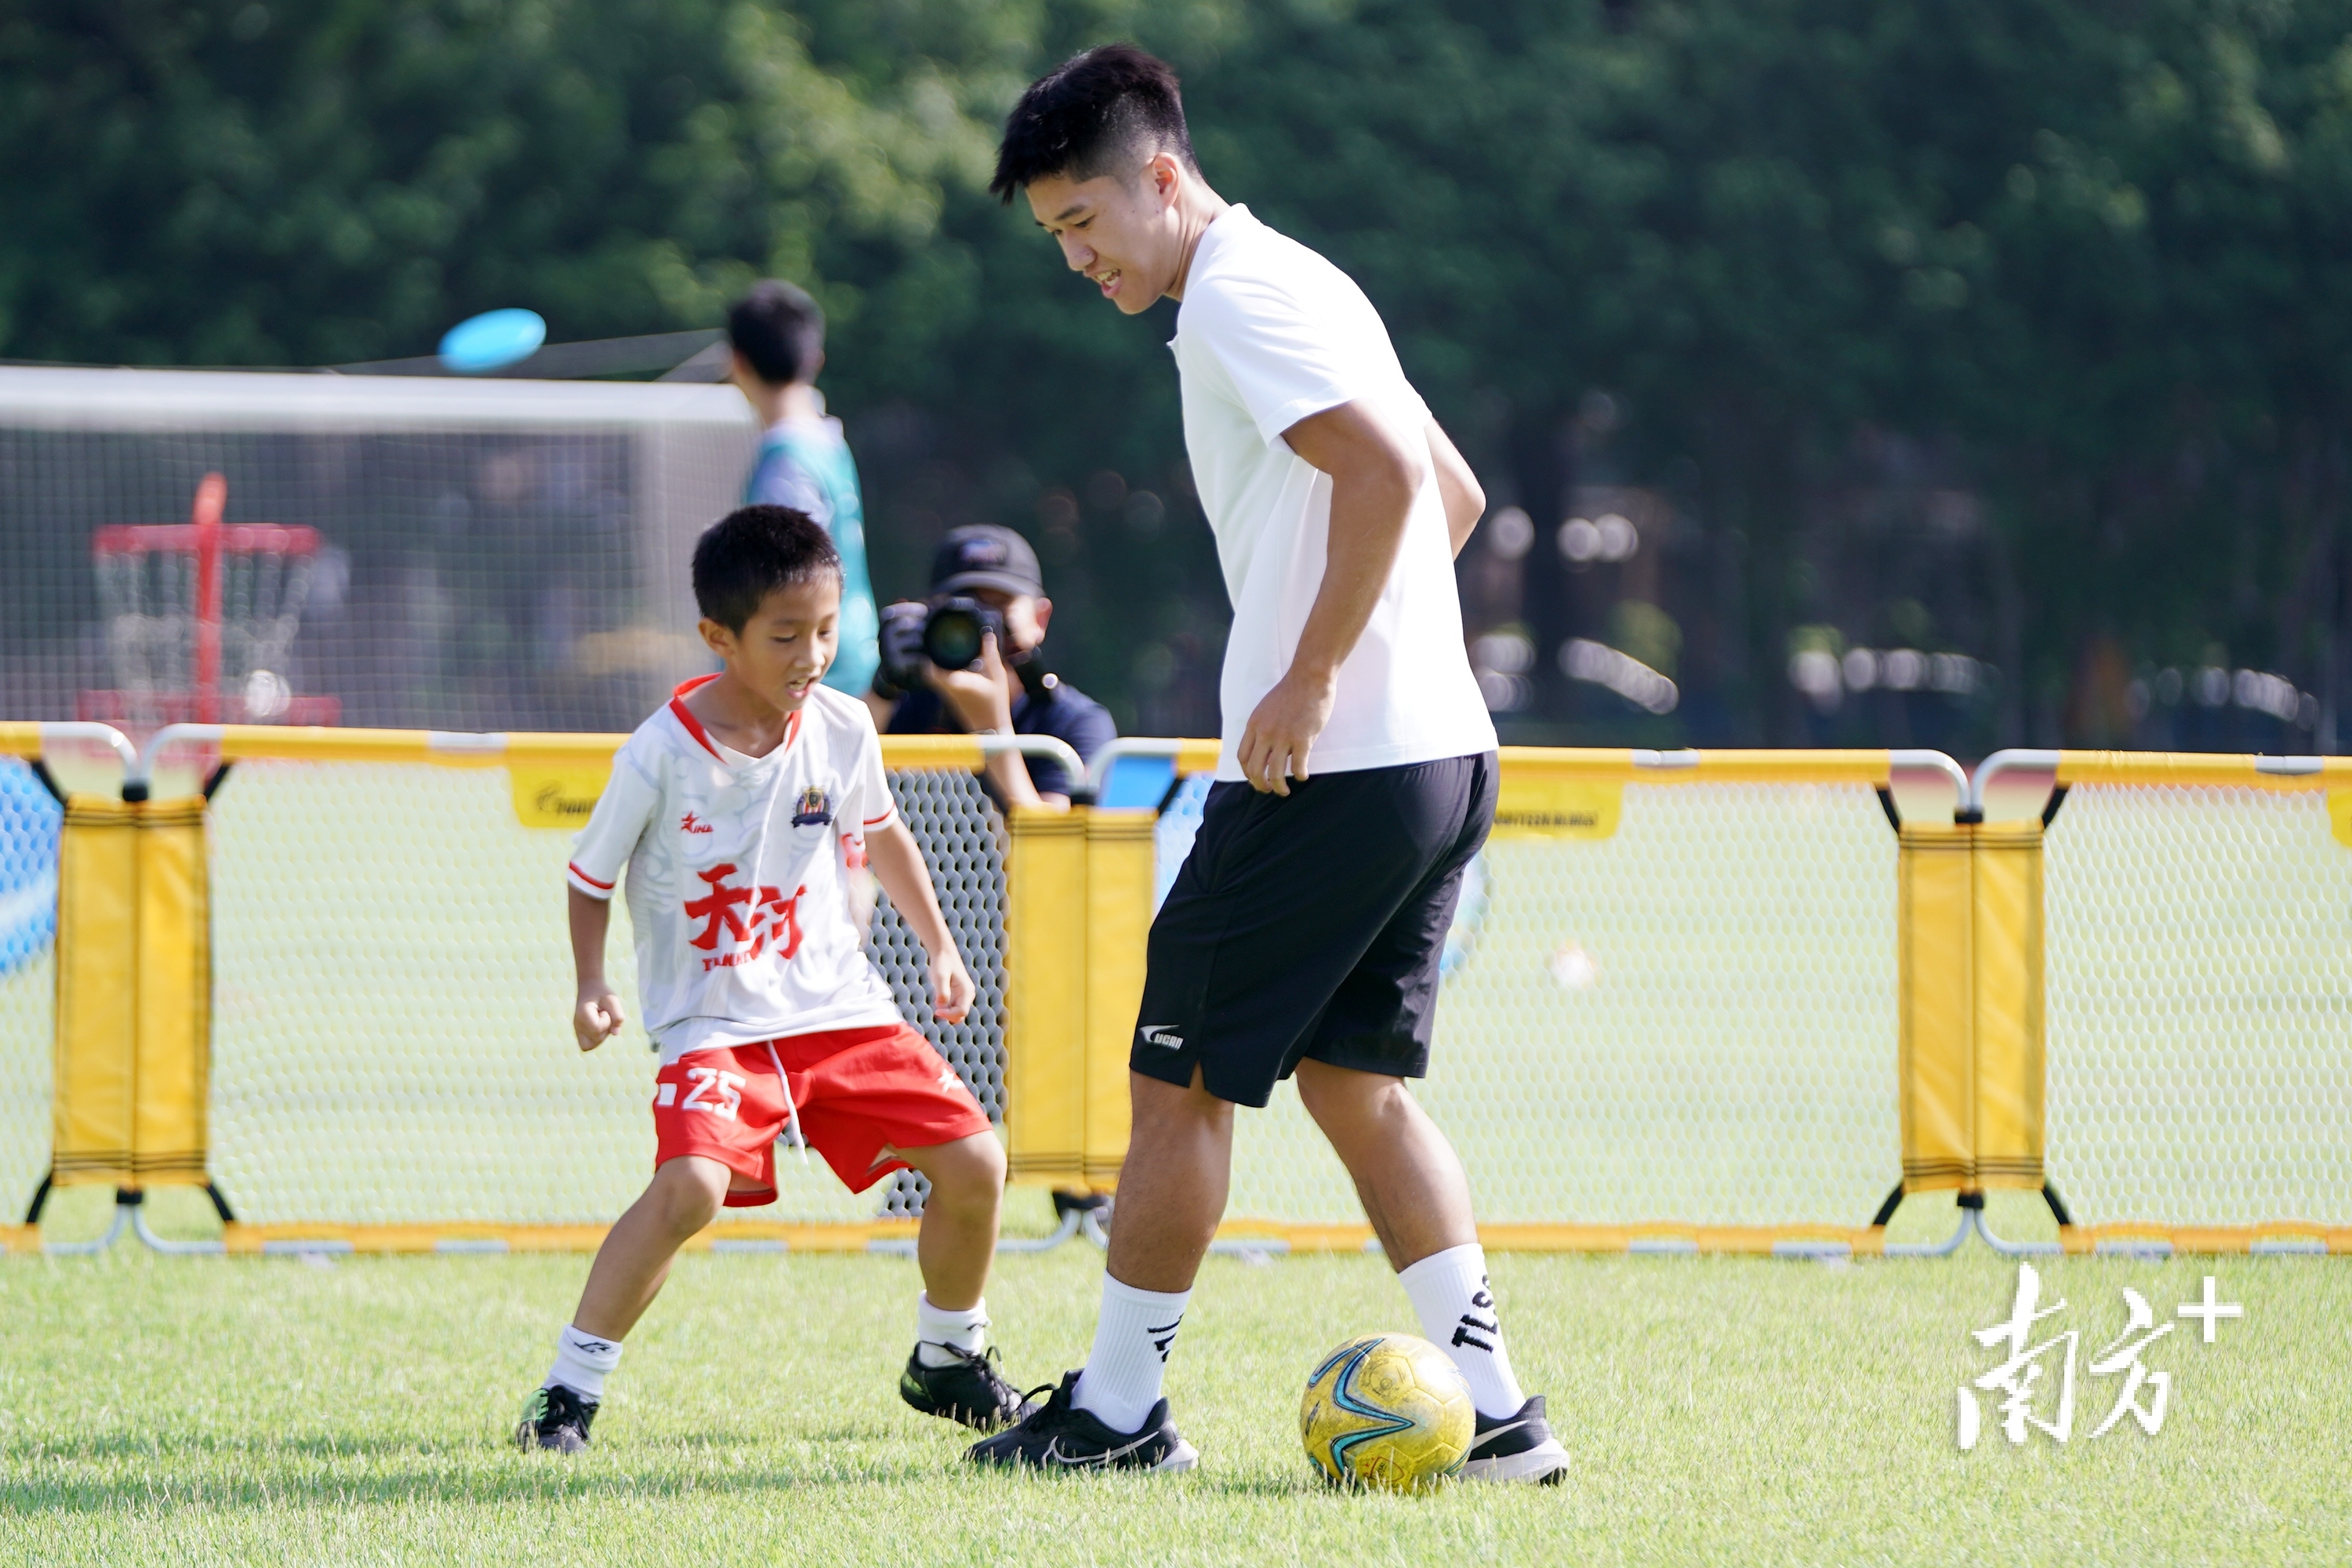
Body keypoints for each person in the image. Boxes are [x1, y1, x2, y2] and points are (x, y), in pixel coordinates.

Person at [967, 45, 1568, 1483]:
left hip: (1341, 769)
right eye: (1056, 234)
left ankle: (1117, 1416)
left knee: (1177, 1085)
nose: (1077, 259)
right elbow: (1459, 490)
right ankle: (1497, 1419)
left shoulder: (1237, 295)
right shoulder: (1307, 277)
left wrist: (1312, 679)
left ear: (1162, 176)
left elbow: (1391, 474)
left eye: (1084, 223)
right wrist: (1385, 658)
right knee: (1356, 1087)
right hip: (1443, 758)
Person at [515, 505, 1033, 1454]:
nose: (813, 653)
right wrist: (591, 982)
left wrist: (940, 945)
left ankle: (950, 1358)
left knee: (977, 1163)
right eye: (787, 634)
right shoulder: (659, 752)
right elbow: (589, 878)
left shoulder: (839, 726)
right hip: (713, 1019)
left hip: (839, 1007)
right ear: (720, 636)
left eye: (829, 630)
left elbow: (880, 833)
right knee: (690, 1189)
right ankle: (566, 1393)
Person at [877, 523, 1116, 810]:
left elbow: (1054, 847)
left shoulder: (1074, 722)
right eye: (963, 609)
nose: (980, 627)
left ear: (1040, 619)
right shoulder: (908, 704)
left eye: (999, 608)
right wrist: (884, 685)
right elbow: (834, 781)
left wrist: (991, 730)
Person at [728, 281, 881, 697]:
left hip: (810, 676)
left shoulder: (786, 463)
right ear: (815, 359)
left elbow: (789, 588)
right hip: (850, 656)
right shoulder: (829, 442)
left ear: (737, 363)